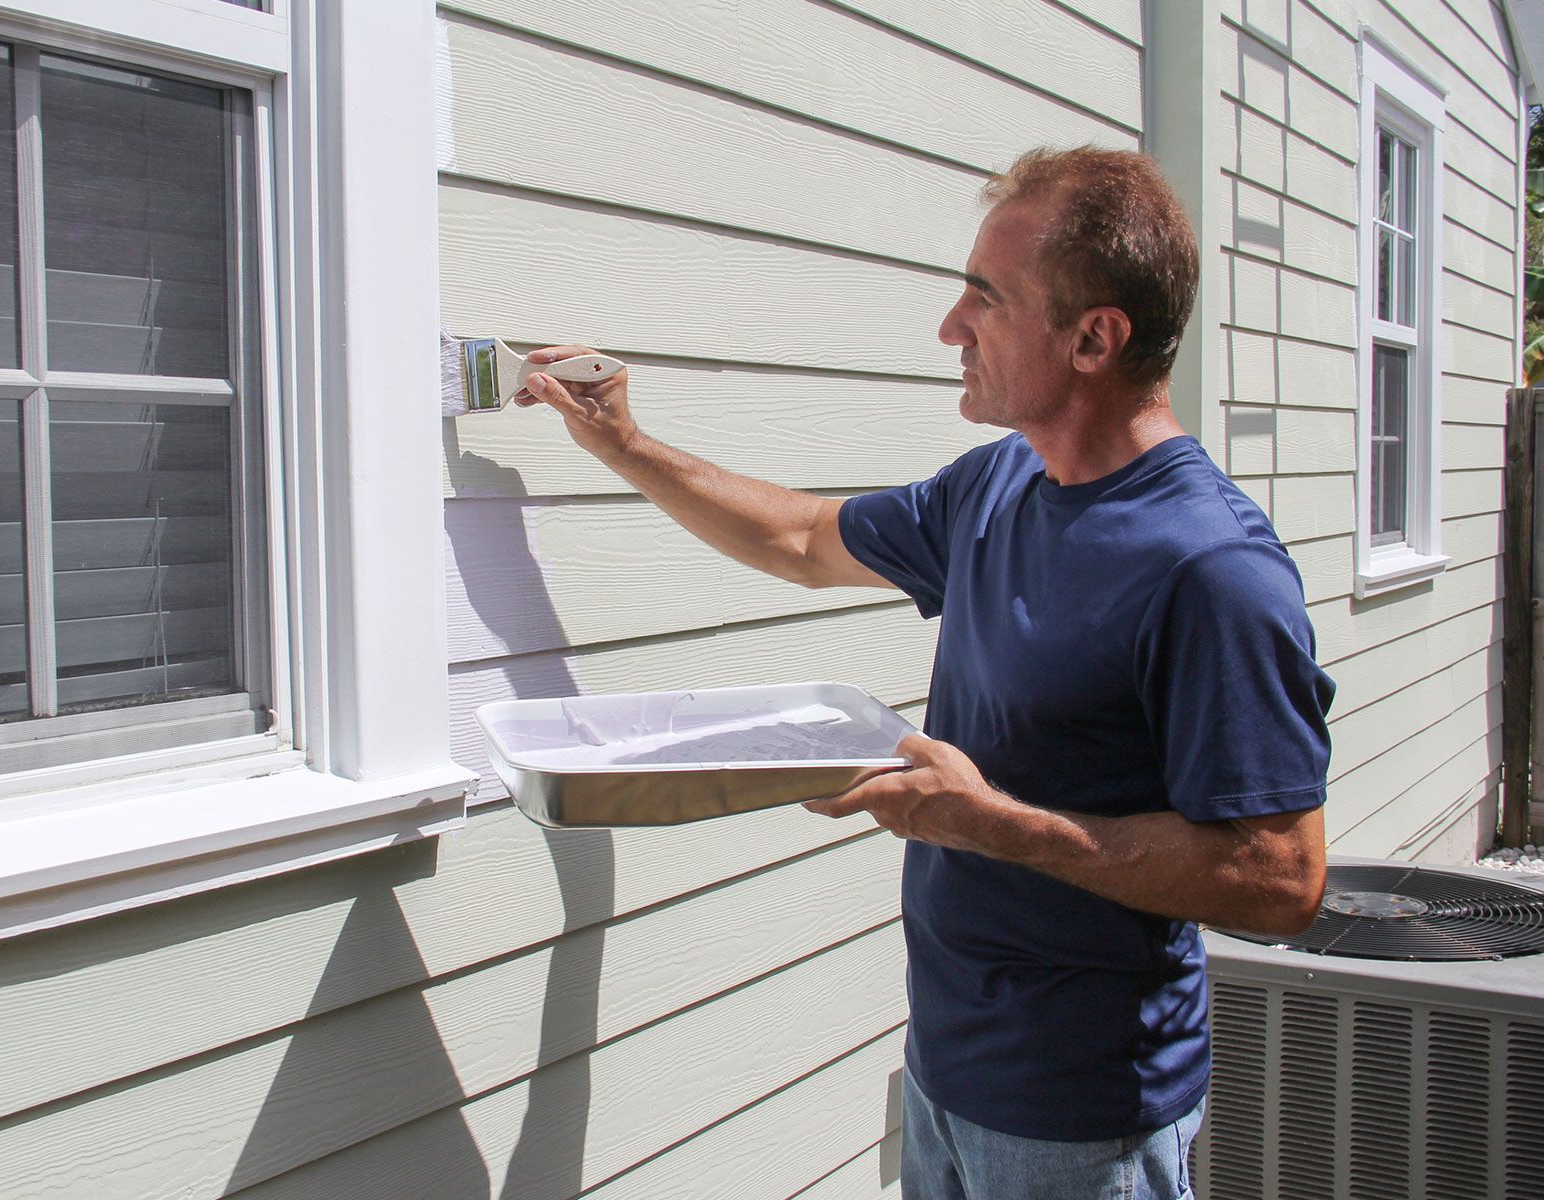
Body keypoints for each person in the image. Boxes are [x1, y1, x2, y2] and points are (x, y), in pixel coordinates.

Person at [514, 145, 1333, 1200]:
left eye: (985, 300)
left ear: (1094, 337)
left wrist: (988, 823)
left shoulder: (1208, 568)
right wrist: (626, 444)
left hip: (1084, 1115)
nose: (952, 328)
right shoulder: (1000, 484)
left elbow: (1282, 880)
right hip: (949, 1068)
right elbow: (805, 541)